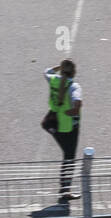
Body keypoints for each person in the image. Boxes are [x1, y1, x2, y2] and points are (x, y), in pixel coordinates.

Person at [44, 59, 83, 203]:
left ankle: (65, 189)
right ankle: (65, 190)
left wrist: (59, 66)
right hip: (68, 127)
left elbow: (46, 71)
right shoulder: (74, 86)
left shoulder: (53, 79)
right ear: (74, 72)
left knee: (67, 156)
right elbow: (77, 104)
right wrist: (73, 111)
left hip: (52, 123)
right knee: (69, 158)